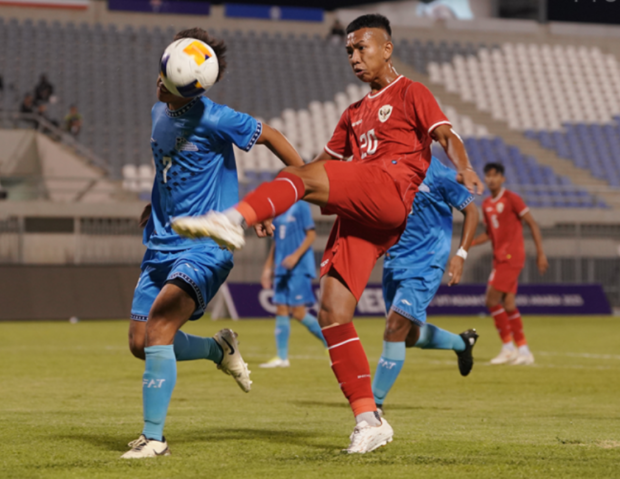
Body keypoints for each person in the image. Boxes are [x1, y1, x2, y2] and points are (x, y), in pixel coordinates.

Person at [172, 14, 482, 454]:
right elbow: (314, 166)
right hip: (365, 214)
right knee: (333, 312)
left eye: (363, 48)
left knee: (302, 178)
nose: (355, 57)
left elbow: (446, 135)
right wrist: (276, 205)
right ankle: (369, 419)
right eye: (349, 51)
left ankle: (231, 219)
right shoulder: (353, 113)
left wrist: (464, 166)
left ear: (387, 48)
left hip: (391, 188)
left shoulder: (412, 92)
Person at [122, 28, 306, 459]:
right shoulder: (158, 111)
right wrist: (155, 204)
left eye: (166, 80)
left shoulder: (217, 117)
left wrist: (301, 187)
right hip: (161, 243)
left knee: (161, 328)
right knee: (139, 342)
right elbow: (167, 166)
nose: (158, 83)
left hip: (207, 245)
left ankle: (154, 439)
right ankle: (217, 348)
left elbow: (274, 136)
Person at [371, 159, 480, 413]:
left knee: (394, 327)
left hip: (427, 262)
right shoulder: (388, 167)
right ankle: (462, 343)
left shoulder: (440, 173)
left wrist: (461, 254)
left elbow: (472, 212)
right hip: (394, 262)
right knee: (407, 336)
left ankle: (372, 406)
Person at [472, 162, 548, 366]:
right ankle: (523, 350)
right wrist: (470, 242)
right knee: (508, 304)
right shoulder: (486, 204)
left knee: (491, 300)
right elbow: (489, 233)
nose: (491, 179)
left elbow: (532, 223)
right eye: (488, 175)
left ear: (502, 178)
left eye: (495, 175)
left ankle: (508, 347)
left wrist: (541, 253)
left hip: (512, 257)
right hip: (499, 258)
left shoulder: (512, 198)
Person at [259, 201, 326, 368]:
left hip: (299, 267)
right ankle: (282, 358)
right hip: (282, 267)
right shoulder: (278, 210)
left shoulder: (301, 206)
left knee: (298, 312)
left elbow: (311, 235)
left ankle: (331, 344)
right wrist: (267, 267)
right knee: (281, 308)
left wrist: (295, 256)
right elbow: (276, 242)